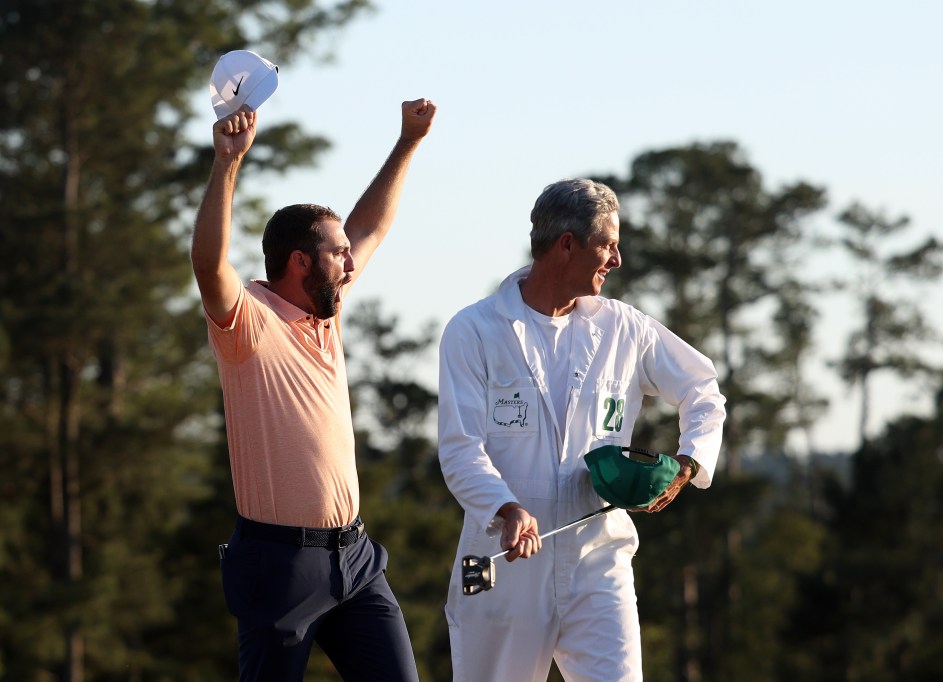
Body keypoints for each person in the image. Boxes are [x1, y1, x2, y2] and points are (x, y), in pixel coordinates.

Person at [437, 178, 726, 681]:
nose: (617, 260)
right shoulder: (475, 330)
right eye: (608, 245)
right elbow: (461, 448)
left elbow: (703, 388)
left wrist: (689, 462)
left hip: (600, 562)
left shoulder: (625, 328)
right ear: (566, 243)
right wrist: (506, 509)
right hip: (505, 565)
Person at [191, 98, 436, 681]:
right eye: (337, 252)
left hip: (355, 558)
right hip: (278, 566)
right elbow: (207, 265)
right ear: (301, 262)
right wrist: (227, 163)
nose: (352, 262)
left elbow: (372, 226)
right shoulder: (247, 321)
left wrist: (408, 142)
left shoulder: (326, 312)